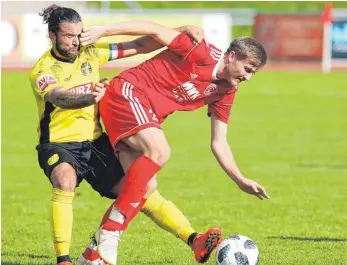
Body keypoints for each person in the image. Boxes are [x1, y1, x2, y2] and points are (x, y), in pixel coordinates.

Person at [29, 5, 222, 265]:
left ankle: (194, 240)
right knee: (64, 180)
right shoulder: (43, 70)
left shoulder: (91, 53)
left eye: (78, 34)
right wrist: (88, 97)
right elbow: (58, 97)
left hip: (96, 143)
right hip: (58, 144)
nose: (76, 42)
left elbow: (138, 46)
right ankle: (63, 260)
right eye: (68, 36)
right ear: (52, 36)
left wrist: (179, 32)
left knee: (140, 189)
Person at [78, 21, 271, 265]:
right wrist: (101, 31)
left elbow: (219, 142)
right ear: (232, 56)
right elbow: (153, 29)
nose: (248, 77)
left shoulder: (226, 91)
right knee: (159, 150)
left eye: (253, 72)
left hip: (140, 116)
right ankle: (110, 232)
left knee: (146, 187)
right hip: (126, 93)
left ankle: (92, 255)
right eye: (248, 68)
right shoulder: (199, 51)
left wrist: (240, 179)